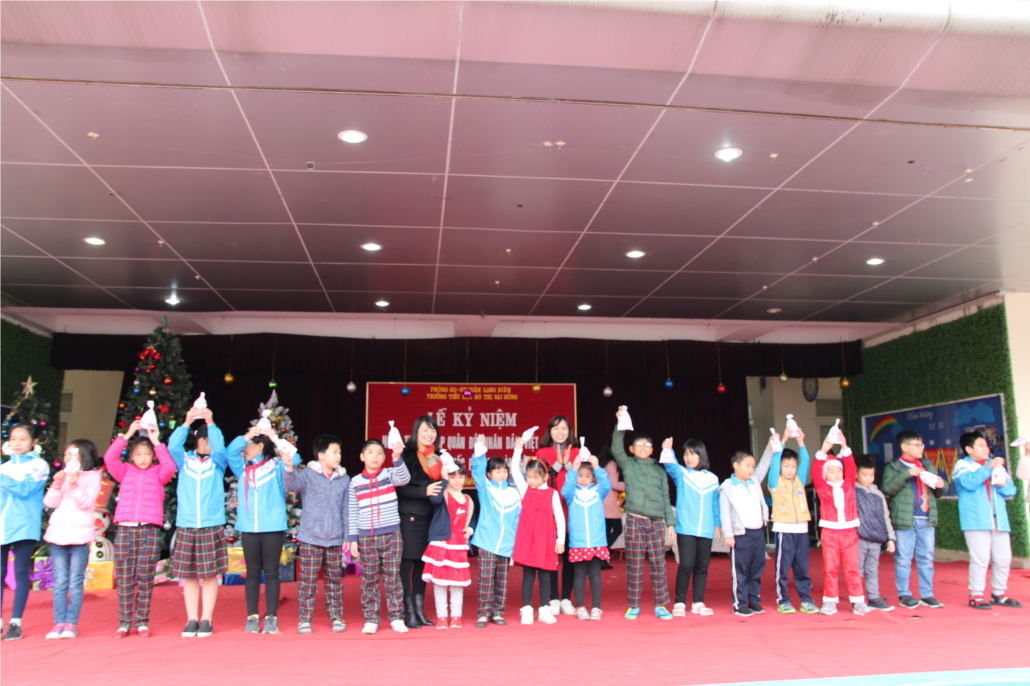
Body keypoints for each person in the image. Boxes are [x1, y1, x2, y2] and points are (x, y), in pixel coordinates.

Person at [104, 419, 177, 638]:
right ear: (131, 457)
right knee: (125, 577)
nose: (143, 458)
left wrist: (156, 441)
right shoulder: (124, 471)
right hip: (125, 529)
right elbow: (109, 458)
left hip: (149, 530)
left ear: (153, 456)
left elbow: (170, 467)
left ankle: (142, 622)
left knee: (145, 577)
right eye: (138, 454)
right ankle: (124, 622)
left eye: (147, 454)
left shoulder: (159, 473)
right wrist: (127, 435)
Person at [226, 425, 300, 635]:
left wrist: (275, 438)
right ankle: (252, 616)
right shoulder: (242, 468)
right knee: (252, 573)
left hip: (272, 528)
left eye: (249, 444)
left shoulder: (276, 465)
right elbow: (230, 452)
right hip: (248, 528)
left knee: (272, 573)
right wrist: (247, 436)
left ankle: (271, 618)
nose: (244, 449)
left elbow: (294, 459)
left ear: (260, 446)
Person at [167, 406, 227, 638]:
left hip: (211, 524)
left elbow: (220, 448)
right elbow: (172, 446)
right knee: (189, 574)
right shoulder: (184, 461)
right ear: (201, 441)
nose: (216, 444)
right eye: (210, 438)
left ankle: (206, 619)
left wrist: (211, 422)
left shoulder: (217, 462)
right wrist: (186, 422)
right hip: (187, 524)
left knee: (210, 574)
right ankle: (191, 619)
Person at [611, 407, 676, 620]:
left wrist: (670, 523)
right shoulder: (628, 465)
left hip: (656, 522)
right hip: (635, 521)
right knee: (635, 565)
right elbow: (616, 448)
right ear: (631, 448)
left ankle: (661, 605)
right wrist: (620, 424)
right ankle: (633, 605)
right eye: (639, 444)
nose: (643, 447)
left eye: (647, 445)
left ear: (652, 450)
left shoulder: (659, 470)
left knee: (659, 564)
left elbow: (666, 498)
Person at [283, 434, 351, 634]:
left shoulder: (344, 479)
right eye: (334, 452)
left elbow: (346, 510)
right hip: (310, 538)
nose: (338, 456)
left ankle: (337, 616)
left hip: (335, 538)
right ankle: (305, 619)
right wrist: (289, 468)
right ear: (321, 455)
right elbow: (291, 486)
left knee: (335, 581)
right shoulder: (307, 475)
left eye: (339, 452)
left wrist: (347, 537)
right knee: (308, 581)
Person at [346, 438, 412, 635]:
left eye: (379, 453)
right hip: (367, 537)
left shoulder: (389, 474)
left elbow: (405, 478)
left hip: (392, 535)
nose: (375, 456)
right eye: (370, 452)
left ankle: (396, 617)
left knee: (393, 578)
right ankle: (371, 619)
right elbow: (352, 511)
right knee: (369, 579)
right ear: (362, 457)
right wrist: (353, 538)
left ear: (384, 457)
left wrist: (397, 458)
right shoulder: (355, 482)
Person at [953, 431, 1022, 609]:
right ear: (969, 449)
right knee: (980, 558)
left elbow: (1011, 491)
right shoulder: (962, 465)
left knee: (1004, 558)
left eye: (986, 445)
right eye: (981, 445)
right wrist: (988, 468)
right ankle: (976, 595)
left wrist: (1001, 483)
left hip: (998, 519)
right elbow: (969, 484)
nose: (986, 449)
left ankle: (998, 594)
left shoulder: (995, 466)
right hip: (975, 519)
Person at [43, 439, 102, 640]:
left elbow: (86, 503)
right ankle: (58, 622)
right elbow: (49, 503)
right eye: (66, 454)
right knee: (59, 582)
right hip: (58, 536)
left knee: (75, 582)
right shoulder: (64, 475)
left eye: (72, 454)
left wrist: (75, 484)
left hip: (79, 538)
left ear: (84, 456)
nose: (67, 458)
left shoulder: (93, 476)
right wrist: (57, 483)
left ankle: (70, 623)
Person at [882, 430, 947, 609]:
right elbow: (887, 489)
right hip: (905, 520)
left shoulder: (927, 464)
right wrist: (907, 473)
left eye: (922, 445)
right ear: (904, 446)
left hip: (926, 518)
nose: (921, 448)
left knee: (926, 558)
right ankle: (904, 595)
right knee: (903, 559)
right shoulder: (894, 467)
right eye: (917, 445)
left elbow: (938, 491)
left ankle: (927, 594)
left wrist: (942, 485)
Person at [661, 437, 721, 617]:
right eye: (686, 454)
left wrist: (717, 524)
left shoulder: (713, 479)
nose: (689, 457)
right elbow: (670, 466)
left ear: (701, 455)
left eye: (693, 454)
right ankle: (680, 602)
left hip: (706, 529)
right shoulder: (682, 474)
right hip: (686, 528)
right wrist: (668, 450)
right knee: (686, 565)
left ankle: (698, 602)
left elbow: (715, 504)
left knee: (702, 567)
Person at [0, 423, 49, 641]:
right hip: (1, 527)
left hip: (24, 526)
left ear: (33, 442)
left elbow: (24, 490)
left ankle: (15, 623)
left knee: (20, 573)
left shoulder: (39, 465)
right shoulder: (4, 467)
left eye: (23, 439)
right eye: (13, 438)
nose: (17, 443)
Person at [812, 434, 869, 616]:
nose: (836, 474)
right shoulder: (822, 487)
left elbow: (851, 467)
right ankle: (830, 601)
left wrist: (844, 445)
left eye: (838, 470)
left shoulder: (849, 484)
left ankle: (858, 601)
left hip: (849, 533)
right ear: (825, 474)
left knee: (853, 568)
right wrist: (824, 450)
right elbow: (815, 471)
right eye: (831, 471)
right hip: (830, 533)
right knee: (830, 569)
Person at [396, 415, 443, 629]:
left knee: (423, 565)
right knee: (407, 564)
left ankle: (419, 611)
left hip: (431, 517)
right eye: (425, 429)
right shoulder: (405, 455)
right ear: (416, 432)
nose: (429, 434)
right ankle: (408, 612)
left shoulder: (439, 457)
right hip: (410, 517)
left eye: (433, 430)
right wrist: (424, 491)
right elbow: (400, 488)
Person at [511, 438, 564, 626]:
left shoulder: (552, 493)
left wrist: (561, 540)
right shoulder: (525, 490)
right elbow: (514, 470)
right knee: (528, 576)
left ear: (545, 477)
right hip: (528, 539)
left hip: (546, 541)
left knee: (545, 577)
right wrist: (518, 449)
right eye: (529, 477)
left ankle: (544, 610)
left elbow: (560, 518)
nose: (531, 480)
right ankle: (526, 609)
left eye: (535, 477)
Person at [470, 434, 521, 628]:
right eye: (497, 470)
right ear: (489, 474)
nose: (501, 473)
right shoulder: (486, 489)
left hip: (506, 544)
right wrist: (479, 449)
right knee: (486, 578)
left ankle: (498, 611)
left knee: (502, 579)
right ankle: (483, 613)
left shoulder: (513, 494)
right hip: (486, 541)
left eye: (504, 470)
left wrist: (515, 543)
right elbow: (477, 472)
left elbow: (517, 520)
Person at [765, 429, 817, 615]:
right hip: (784, 530)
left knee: (802, 568)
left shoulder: (799, 480)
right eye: (786, 465)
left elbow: (806, 461)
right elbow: (774, 462)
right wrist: (784, 440)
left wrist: (801, 441)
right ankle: (783, 600)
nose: (790, 469)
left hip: (801, 530)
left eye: (793, 466)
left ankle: (806, 599)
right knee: (783, 568)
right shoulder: (775, 482)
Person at [719, 443, 773, 617]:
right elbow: (724, 513)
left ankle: (754, 600)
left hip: (757, 533)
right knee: (740, 570)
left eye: (752, 466)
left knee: (757, 568)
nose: (751, 469)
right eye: (747, 465)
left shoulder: (754, 481)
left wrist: (770, 447)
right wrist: (728, 535)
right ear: (736, 465)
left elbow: (764, 464)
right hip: (741, 535)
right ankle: (740, 603)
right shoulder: (728, 487)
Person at [421, 455, 474, 629]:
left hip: (459, 544)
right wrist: (443, 479)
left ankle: (456, 616)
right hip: (442, 543)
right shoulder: (443, 494)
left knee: (457, 582)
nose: (457, 481)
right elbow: (434, 500)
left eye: (460, 477)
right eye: (452, 477)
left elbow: (472, 519)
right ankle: (442, 616)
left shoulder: (468, 499)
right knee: (440, 581)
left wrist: (470, 529)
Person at [535, 415, 579, 615]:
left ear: (569, 431)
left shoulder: (577, 452)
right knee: (551, 558)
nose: (560, 432)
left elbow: (583, 478)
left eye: (564, 428)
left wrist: (569, 464)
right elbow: (540, 480)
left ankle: (566, 599)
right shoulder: (542, 453)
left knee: (570, 558)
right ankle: (553, 598)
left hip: (572, 511)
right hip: (550, 513)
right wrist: (561, 464)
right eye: (556, 428)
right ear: (549, 431)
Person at [561, 452, 611, 621]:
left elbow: (607, 485)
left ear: (593, 478)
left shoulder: (598, 493)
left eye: (587, 476)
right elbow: (565, 490)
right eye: (580, 475)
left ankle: (596, 607)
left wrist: (597, 467)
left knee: (595, 575)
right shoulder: (572, 494)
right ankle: (580, 607)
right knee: (579, 575)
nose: (583, 479)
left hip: (597, 541)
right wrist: (573, 470)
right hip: (578, 542)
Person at [854, 454, 897, 611]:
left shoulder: (878, 494)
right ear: (855, 474)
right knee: (857, 570)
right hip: (859, 539)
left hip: (876, 540)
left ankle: (873, 598)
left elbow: (885, 517)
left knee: (872, 570)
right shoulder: (852, 491)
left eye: (871, 475)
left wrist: (890, 538)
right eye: (864, 475)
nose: (868, 478)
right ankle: (858, 599)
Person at [598, 442, 624, 569]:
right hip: (609, 502)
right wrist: (630, 486)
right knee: (618, 529)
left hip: (601, 500)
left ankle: (603, 560)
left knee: (606, 531)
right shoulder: (612, 464)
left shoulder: (601, 463)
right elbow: (614, 484)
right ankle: (601, 555)